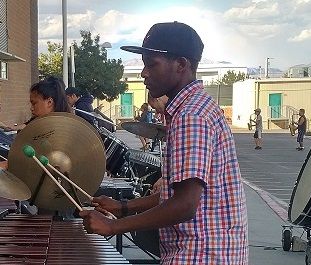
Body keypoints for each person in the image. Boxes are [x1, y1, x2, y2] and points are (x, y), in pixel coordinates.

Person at [80, 21, 248, 265]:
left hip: (201, 255)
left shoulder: (191, 116)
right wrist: (123, 206)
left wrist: (113, 227)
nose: (144, 73)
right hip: (212, 252)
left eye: (152, 64)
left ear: (181, 65)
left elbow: (185, 205)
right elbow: (177, 194)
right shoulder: (198, 106)